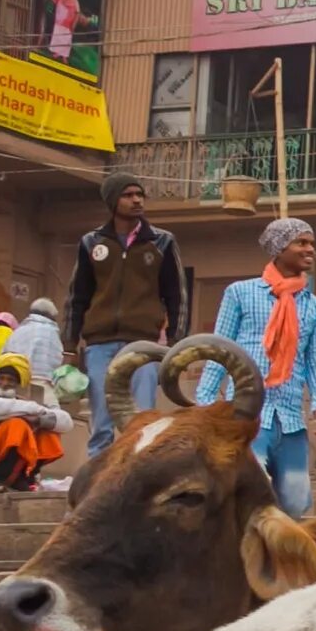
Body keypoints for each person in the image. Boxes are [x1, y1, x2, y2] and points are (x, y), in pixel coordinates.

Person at [198, 216, 316, 516]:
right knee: (249, 497)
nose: (310, 249)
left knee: (296, 502)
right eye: (301, 243)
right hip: (247, 416)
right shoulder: (240, 293)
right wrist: (205, 401)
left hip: (290, 419)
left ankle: (282, 559)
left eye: (311, 243)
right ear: (279, 248)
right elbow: (221, 349)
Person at [69, 169, 187, 455]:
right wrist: (69, 345)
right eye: (128, 195)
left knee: (142, 417)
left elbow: (177, 295)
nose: (136, 200)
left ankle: (139, 471)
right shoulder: (91, 242)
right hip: (99, 344)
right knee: (101, 419)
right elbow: (77, 296)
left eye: (139, 195)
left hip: (143, 344)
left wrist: (174, 342)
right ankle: (98, 476)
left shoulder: (162, 241)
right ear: (113, 202)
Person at [0, 351, 73, 492]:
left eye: (10, 380)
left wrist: (39, 418)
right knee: (17, 425)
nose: (5, 383)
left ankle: (24, 477)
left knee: (48, 430)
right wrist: (34, 410)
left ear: (17, 384)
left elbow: (67, 422)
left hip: (15, 472)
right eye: (0, 378)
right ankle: (0, 480)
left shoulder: (23, 404)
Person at [4, 297, 64, 383]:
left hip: (17, 380)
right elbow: (57, 359)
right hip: (44, 382)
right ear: (50, 315)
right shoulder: (51, 332)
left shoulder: (19, 331)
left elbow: (6, 353)